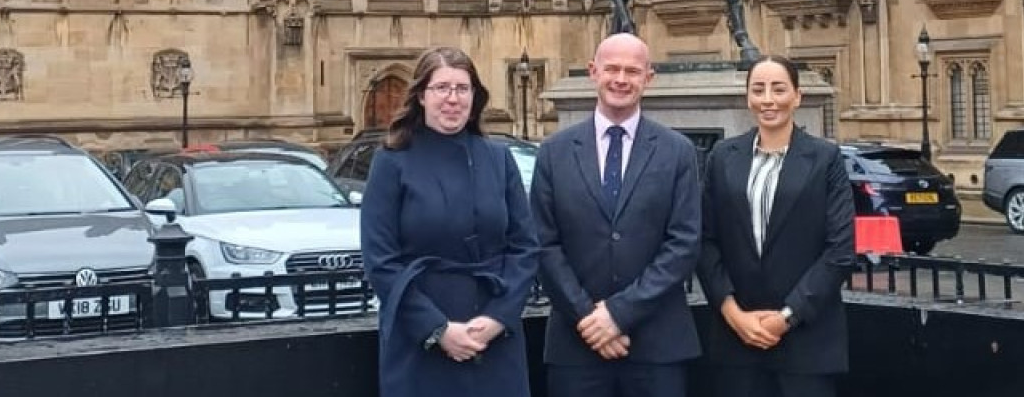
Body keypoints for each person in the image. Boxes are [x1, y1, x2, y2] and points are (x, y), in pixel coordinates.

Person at [361, 47, 541, 397]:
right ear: (422, 97)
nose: (452, 99)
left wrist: (497, 318)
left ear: (475, 97)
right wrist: (437, 329)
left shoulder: (498, 159)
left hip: (492, 334)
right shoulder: (392, 161)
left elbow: (525, 247)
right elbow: (380, 260)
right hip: (421, 337)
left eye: (462, 89)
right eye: (441, 88)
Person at [532, 33, 703, 397]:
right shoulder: (554, 152)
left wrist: (618, 314)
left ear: (648, 78)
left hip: (658, 347)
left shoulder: (677, 152)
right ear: (593, 72)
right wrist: (589, 319)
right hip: (576, 346)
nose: (621, 79)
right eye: (611, 69)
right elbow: (544, 244)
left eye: (632, 71)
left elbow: (684, 244)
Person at [697, 56, 856, 397]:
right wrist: (733, 313)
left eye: (779, 88)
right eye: (758, 89)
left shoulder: (825, 158)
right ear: (748, 97)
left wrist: (786, 317)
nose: (768, 99)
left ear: (797, 96)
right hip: (736, 339)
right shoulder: (723, 157)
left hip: (806, 342)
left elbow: (840, 250)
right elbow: (705, 241)